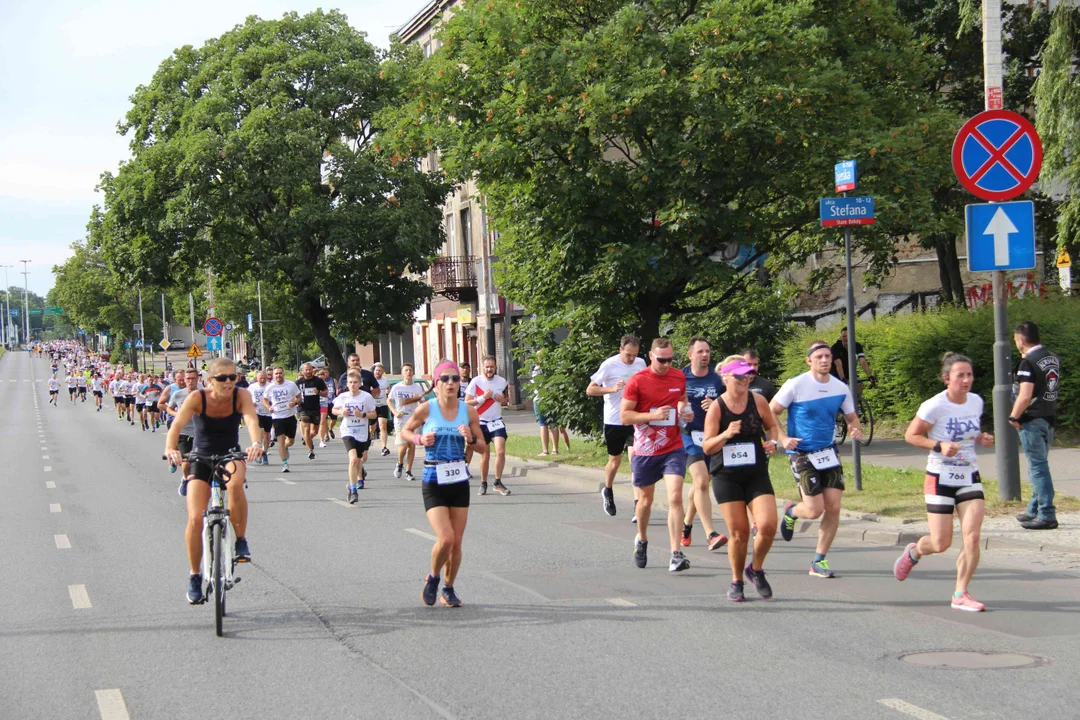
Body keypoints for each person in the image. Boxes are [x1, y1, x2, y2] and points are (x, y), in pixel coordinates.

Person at [894, 353, 994, 612]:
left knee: (972, 536)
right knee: (940, 543)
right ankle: (915, 552)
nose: (966, 380)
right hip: (939, 477)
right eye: (960, 375)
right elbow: (911, 435)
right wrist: (938, 445)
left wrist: (981, 437)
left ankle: (960, 593)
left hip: (969, 475)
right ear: (946, 378)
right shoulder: (934, 405)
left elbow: (968, 434)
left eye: (969, 375)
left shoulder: (975, 401)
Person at [164, 357, 265, 605]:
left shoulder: (240, 395)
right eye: (222, 378)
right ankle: (195, 576)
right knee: (196, 517)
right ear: (210, 380)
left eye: (233, 377)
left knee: (235, 484)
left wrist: (256, 443)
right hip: (201, 456)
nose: (229, 382)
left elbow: (252, 420)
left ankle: (240, 540)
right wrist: (171, 449)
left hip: (231, 453)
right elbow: (176, 425)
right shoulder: (197, 398)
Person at [704, 357, 794, 601]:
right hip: (726, 476)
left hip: (755, 472)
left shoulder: (758, 400)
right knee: (740, 533)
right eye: (740, 376)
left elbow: (771, 427)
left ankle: (755, 569)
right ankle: (737, 581)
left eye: (748, 376)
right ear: (726, 377)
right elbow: (708, 446)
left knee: (767, 526)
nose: (746, 380)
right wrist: (725, 434)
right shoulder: (717, 407)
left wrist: (772, 442)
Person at [771, 341, 863, 578]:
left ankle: (819, 560)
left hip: (828, 452)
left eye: (828, 357)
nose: (824, 360)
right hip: (801, 452)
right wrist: (782, 438)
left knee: (833, 507)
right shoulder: (796, 385)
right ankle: (792, 512)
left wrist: (856, 429)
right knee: (813, 510)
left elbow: (852, 417)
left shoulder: (840, 387)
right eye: (819, 356)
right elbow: (770, 412)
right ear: (809, 360)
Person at [401, 360, 487, 608]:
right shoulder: (427, 409)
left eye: (455, 379)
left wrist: (470, 438)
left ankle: (448, 588)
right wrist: (419, 438)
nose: (451, 383)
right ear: (436, 384)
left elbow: (482, 447)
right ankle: (433, 577)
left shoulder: (468, 411)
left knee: (457, 541)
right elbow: (405, 431)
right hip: (433, 480)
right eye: (445, 379)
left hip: (459, 480)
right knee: (446, 538)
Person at [620, 337, 692, 572]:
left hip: (672, 446)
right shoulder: (637, 381)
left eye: (671, 359)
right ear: (651, 357)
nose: (667, 364)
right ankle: (641, 538)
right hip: (645, 450)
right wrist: (652, 416)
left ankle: (675, 554)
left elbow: (682, 399)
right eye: (662, 360)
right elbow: (625, 416)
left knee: (675, 497)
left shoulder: (678, 377)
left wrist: (685, 410)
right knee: (645, 502)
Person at [678, 337, 729, 552]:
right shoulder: (680, 377)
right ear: (690, 355)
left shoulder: (717, 379)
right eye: (700, 351)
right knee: (700, 481)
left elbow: (729, 404)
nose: (705, 355)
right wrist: (682, 408)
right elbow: (673, 400)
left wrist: (716, 405)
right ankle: (711, 534)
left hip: (710, 437)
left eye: (707, 351)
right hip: (688, 435)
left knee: (701, 484)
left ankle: (686, 525)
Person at [588, 334, 647, 518]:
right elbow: (590, 389)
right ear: (621, 350)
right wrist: (612, 389)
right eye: (628, 354)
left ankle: (637, 507)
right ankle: (608, 490)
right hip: (614, 420)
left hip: (633, 418)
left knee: (635, 462)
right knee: (615, 461)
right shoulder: (609, 365)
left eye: (634, 355)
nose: (631, 359)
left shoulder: (641, 363)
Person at [1010, 321, 1061, 531]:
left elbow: (1025, 395)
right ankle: (1033, 509)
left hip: (1032, 419)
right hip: (1048, 417)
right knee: (1038, 466)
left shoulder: (1028, 363)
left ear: (1020, 340)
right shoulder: (1052, 357)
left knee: (1038, 468)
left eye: (1015, 340)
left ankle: (1047, 514)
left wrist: (1014, 417)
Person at [464, 355, 512, 497]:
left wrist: (503, 400)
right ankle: (483, 483)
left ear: (495, 367)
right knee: (485, 455)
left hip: (496, 421)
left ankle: (497, 482)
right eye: (487, 367)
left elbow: (506, 399)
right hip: (481, 423)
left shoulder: (502, 381)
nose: (489, 369)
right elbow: (467, 402)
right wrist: (482, 398)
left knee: (501, 452)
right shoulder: (475, 381)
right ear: (482, 367)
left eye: (492, 367)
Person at [333, 370, 377, 504]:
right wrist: (341, 412)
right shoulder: (343, 397)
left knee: (358, 460)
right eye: (350, 382)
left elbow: (374, 414)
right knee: (353, 460)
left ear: (360, 383)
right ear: (347, 384)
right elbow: (334, 409)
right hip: (348, 431)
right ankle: (353, 490)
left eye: (355, 382)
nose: (352, 385)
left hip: (361, 432)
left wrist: (362, 415)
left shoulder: (366, 397)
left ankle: (351, 485)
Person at [166, 369, 202, 494]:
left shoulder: (204, 394)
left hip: (200, 433)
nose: (190, 381)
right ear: (184, 380)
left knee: (202, 462)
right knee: (186, 463)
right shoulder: (178, 394)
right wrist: (178, 415)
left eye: (193, 378)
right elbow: (169, 408)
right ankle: (186, 479)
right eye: (188, 379)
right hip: (185, 432)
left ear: (198, 379)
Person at [388, 364, 425, 480]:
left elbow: (422, 403)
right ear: (402, 373)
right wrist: (394, 412)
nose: (408, 372)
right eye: (406, 370)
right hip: (401, 419)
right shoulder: (397, 387)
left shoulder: (417, 388)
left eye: (410, 370)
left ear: (413, 373)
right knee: (403, 446)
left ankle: (408, 471)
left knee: (412, 446)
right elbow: (389, 400)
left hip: (413, 420)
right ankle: (399, 464)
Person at [262, 367, 301, 472]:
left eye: (280, 373)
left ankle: (286, 447)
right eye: (276, 374)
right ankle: (285, 464)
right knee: (281, 439)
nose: (278, 375)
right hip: (277, 417)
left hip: (290, 416)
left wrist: (295, 403)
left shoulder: (291, 385)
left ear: (283, 374)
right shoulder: (270, 387)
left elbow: (299, 398)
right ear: (273, 375)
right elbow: (264, 399)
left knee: (291, 441)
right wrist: (268, 407)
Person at [295, 363, 327, 460]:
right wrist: (295, 402)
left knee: (314, 431)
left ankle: (308, 439)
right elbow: (294, 395)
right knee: (306, 429)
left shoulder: (318, 381)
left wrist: (318, 392)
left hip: (315, 408)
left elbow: (325, 393)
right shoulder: (298, 383)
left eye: (310, 369)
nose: (308, 371)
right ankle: (310, 451)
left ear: (312, 370)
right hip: (303, 409)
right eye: (306, 370)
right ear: (303, 371)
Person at [248, 370, 272, 465]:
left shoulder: (270, 386)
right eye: (260, 378)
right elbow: (247, 398)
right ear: (256, 378)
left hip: (268, 413)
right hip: (257, 412)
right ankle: (260, 452)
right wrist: (251, 403)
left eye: (264, 378)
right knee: (260, 434)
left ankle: (264, 452)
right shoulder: (252, 387)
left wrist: (270, 404)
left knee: (267, 434)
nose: (262, 380)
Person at [372, 363, 391, 456]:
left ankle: (384, 447)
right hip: (372, 406)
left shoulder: (385, 380)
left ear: (382, 372)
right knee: (372, 427)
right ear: (373, 371)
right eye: (376, 370)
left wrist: (388, 393)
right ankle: (368, 440)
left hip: (383, 405)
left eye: (380, 370)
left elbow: (388, 389)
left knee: (382, 426)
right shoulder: (370, 380)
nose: (378, 372)